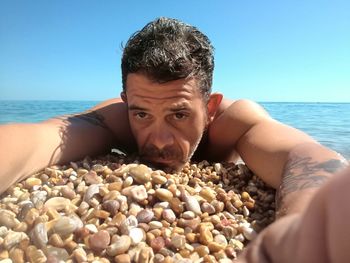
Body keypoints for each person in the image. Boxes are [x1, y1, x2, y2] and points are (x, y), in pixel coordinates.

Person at [0, 17, 348, 259]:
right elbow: (42, 137)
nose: (160, 139)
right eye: (142, 115)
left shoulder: (235, 122)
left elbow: (307, 158)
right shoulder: (116, 119)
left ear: (210, 107)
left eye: (179, 114)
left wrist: (299, 241)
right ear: (126, 103)